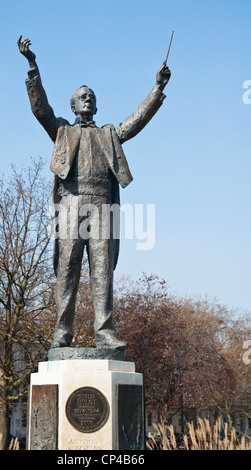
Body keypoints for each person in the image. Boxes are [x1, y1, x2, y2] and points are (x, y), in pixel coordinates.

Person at [18, 36, 171, 350]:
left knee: (103, 272)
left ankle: (105, 332)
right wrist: (33, 66)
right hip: (71, 206)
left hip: (103, 208)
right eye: (81, 96)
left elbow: (136, 120)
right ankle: (62, 332)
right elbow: (40, 109)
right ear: (73, 106)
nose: (87, 99)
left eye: (91, 96)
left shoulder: (109, 134)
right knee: (67, 270)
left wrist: (157, 89)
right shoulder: (62, 130)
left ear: (96, 105)